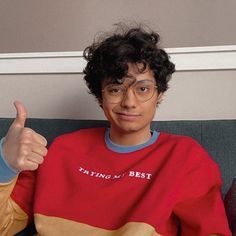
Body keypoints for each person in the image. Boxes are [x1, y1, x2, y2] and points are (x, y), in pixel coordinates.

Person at [0, 23, 231, 236]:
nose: (129, 102)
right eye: (115, 89)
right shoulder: (61, 148)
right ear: (100, 97)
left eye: (142, 89)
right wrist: (5, 163)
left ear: (159, 94)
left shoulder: (185, 156)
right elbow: (5, 225)